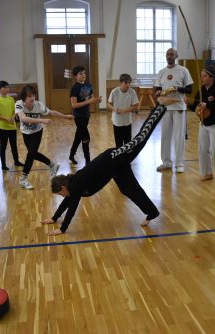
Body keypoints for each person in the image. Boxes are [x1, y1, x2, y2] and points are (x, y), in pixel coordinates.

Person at [41, 96, 178, 235]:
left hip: (115, 157)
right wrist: (54, 218)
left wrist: (62, 229)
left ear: (63, 187)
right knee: (127, 188)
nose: (62, 196)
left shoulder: (75, 185)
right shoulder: (71, 187)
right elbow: (67, 202)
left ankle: (160, 106)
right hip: (114, 169)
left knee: (140, 139)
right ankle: (152, 212)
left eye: (60, 194)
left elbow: (71, 208)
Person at [15, 85, 74, 190]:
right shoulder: (19, 104)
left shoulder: (39, 105)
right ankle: (52, 165)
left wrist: (65, 116)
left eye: (33, 95)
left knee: (31, 153)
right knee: (33, 154)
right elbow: (23, 119)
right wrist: (42, 120)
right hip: (25, 132)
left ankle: (23, 179)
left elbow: (51, 112)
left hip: (37, 132)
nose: (32, 98)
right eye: (29, 96)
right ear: (24, 97)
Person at [154, 48, 193, 173]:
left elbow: (189, 89)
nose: (169, 56)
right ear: (166, 56)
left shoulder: (183, 70)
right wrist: (158, 92)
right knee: (165, 135)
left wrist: (177, 88)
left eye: (172, 54)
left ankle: (180, 163)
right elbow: (156, 89)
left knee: (179, 136)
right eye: (168, 54)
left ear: (176, 56)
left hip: (179, 108)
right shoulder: (161, 72)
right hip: (165, 108)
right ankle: (166, 162)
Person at [189, 65, 215, 180]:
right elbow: (196, 107)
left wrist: (208, 104)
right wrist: (189, 103)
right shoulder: (201, 90)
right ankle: (207, 173)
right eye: (201, 76)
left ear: (212, 77)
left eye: (204, 76)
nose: (202, 78)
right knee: (203, 149)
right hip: (204, 123)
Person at [68, 66, 102, 165]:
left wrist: (96, 101)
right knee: (86, 137)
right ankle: (88, 162)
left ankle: (71, 155)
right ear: (75, 76)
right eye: (80, 74)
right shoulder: (74, 88)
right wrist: (89, 101)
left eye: (84, 73)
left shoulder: (89, 85)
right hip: (78, 117)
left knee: (78, 137)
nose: (83, 75)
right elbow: (74, 105)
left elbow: (91, 100)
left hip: (86, 115)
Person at [0, 80, 24, 171]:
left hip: (12, 127)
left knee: (14, 145)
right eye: (4, 87)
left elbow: (15, 111)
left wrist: (13, 116)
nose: (7, 89)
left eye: (7, 87)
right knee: (3, 146)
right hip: (2, 127)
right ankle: (3, 165)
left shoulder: (11, 99)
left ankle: (16, 161)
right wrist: (6, 118)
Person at [107, 73, 139, 147]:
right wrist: (115, 109)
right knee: (119, 143)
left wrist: (123, 111)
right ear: (121, 83)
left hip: (127, 121)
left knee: (128, 143)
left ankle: (127, 157)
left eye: (129, 83)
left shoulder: (132, 92)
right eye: (126, 83)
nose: (128, 85)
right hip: (117, 121)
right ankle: (119, 158)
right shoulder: (114, 91)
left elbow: (135, 106)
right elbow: (108, 104)